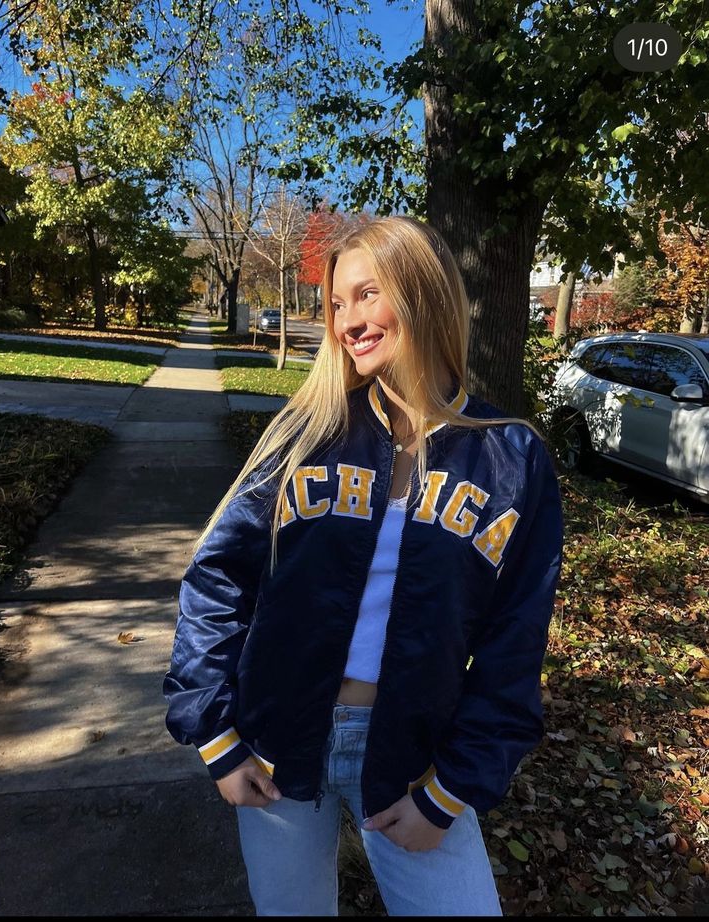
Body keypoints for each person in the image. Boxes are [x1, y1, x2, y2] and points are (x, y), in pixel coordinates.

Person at [163, 216, 563, 916]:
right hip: (278, 740)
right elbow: (217, 578)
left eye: (366, 295)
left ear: (421, 294)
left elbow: (515, 643)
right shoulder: (307, 430)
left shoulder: (512, 456)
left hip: (413, 755)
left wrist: (451, 791)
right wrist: (216, 737)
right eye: (337, 304)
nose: (348, 321)